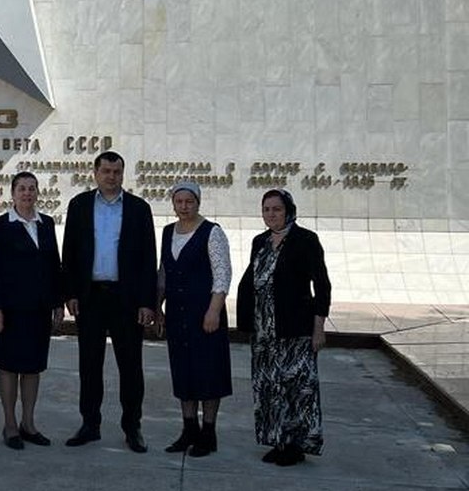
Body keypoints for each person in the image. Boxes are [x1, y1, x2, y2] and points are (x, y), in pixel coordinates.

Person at [61, 151, 157, 451]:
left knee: (130, 366)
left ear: (123, 174)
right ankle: (90, 424)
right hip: (90, 298)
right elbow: (71, 254)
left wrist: (147, 302)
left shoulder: (139, 209)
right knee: (89, 365)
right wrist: (71, 293)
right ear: (95, 173)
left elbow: (147, 258)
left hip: (126, 300)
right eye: (106, 171)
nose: (111, 177)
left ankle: (132, 426)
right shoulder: (79, 206)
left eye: (117, 171)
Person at [236, 188, 331, 467]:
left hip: (295, 330)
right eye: (266, 209)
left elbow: (322, 285)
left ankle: (297, 446)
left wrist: (319, 328)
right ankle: (277, 441)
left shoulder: (305, 240)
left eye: (276, 209)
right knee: (269, 388)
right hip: (264, 333)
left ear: (288, 210)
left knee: (297, 390)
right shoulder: (260, 241)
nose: (271, 214)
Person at [0, 171, 65, 449]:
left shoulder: (46, 224)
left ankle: (28, 423)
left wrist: (58, 302)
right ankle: (10, 425)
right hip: (10, 310)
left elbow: (54, 264)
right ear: (13, 193)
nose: (27, 193)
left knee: (32, 368)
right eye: (22, 189)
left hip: (39, 309)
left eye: (32, 189)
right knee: (9, 367)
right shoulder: (1, 225)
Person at [155, 180, 232, 457]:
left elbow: (222, 273)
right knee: (183, 371)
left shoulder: (212, 232)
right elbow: (164, 271)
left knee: (209, 372)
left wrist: (214, 310)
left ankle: (208, 432)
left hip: (204, 314)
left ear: (198, 202)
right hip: (177, 314)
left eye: (189, 202)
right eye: (179, 202)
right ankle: (189, 428)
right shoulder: (167, 232)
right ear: (173, 203)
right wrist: (158, 305)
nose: (184, 207)